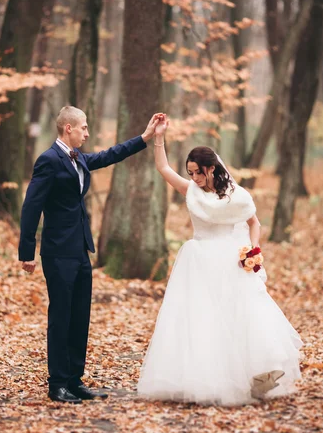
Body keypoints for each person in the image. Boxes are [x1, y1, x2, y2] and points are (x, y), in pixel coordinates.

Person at [137, 116, 302, 405]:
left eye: (198, 173)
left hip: (230, 261)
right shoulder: (191, 191)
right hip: (199, 260)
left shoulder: (236, 196)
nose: (193, 178)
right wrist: (159, 138)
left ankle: (257, 375)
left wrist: (254, 250)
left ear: (211, 168)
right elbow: (163, 168)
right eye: (189, 173)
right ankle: (206, 379)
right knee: (203, 320)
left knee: (244, 315)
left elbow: (254, 222)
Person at [19, 106, 162, 404]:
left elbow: (110, 155)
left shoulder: (79, 158)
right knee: (61, 316)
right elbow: (32, 206)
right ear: (68, 128)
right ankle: (57, 383)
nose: (87, 132)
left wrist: (145, 138)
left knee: (80, 315)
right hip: (58, 253)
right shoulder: (48, 160)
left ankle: (74, 380)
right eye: (83, 127)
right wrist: (27, 251)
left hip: (81, 251)